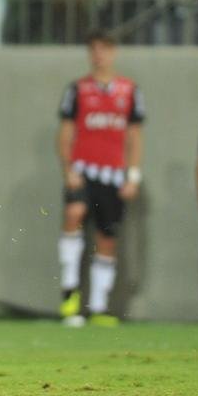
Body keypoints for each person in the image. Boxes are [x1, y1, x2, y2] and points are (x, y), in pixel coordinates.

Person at [56, 30, 144, 326]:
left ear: (113, 52)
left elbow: (134, 137)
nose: (99, 55)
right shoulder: (77, 89)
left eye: (104, 49)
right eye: (93, 49)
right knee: (74, 212)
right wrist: (68, 169)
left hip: (113, 174)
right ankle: (69, 290)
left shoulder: (129, 90)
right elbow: (66, 132)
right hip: (83, 170)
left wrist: (132, 175)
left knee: (107, 238)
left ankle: (98, 307)